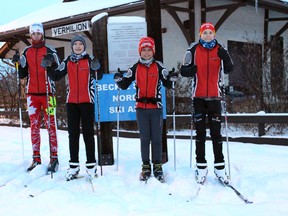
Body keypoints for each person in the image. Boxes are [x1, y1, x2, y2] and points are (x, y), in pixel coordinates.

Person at [113, 37, 178, 182]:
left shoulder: (159, 66)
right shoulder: (135, 67)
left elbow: (168, 82)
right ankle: (146, 165)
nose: (147, 53)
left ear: (153, 51)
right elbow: (124, 84)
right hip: (141, 108)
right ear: (140, 51)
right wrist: (118, 79)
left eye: (149, 50)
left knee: (156, 138)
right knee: (144, 139)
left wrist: (172, 78)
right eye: (144, 50)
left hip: (155, 108)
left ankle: (157, 165)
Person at [180, 22, 234, 184]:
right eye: (205, 33)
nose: (208, 35)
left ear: (214, 34)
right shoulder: (194, 49)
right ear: (200, 34)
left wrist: (225, 58)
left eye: (211, 33)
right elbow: (184, 70)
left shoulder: (220, 49)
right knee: (200, 134)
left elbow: (229, 68)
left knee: (216, 134)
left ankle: (220, 168)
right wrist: (190, 70)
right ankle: (201, 167)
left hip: (215, 99)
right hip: (198, 98)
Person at [44, 35, 102, 181]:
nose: (77, 46)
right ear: (72, 47)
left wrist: (97, 67)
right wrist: (49, 66)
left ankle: (91, 166)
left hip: (87, 101)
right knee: (73, 135)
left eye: (80, 44)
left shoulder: (89, 60)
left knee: (88, 134)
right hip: (71, 103)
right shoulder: (67, 61)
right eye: (75, 44)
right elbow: (56, 76)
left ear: (84, 46)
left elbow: (98, 76)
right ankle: (74, 166)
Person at [14, 22, 60, 174]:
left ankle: (54, 157)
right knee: (34, 126)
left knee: (51, 125)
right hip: (32, 94)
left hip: (48, 94)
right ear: (30, 35)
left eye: (38, 33)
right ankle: (36, 158)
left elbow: (57, 71)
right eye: (33, 33)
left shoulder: (50, 50)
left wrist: (51, 63)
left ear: (42, 34)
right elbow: (22, 75)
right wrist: (19, 64)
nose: (36, 36)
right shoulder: (26, 52)